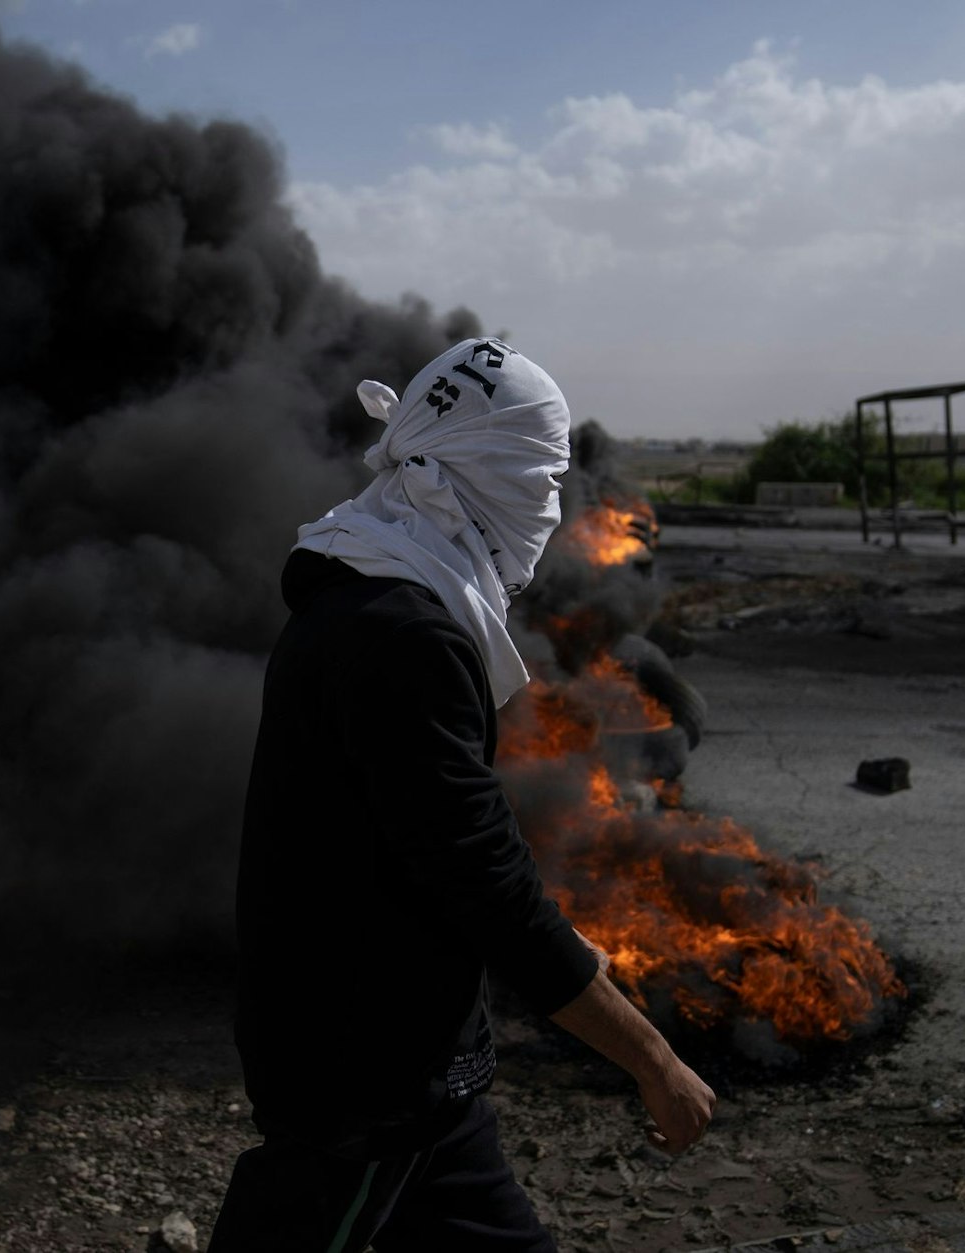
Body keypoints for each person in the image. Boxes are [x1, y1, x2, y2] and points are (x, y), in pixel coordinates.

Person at [208, 340, 714, 1252]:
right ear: (493, 473)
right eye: (542, 478)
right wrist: (656, 1060)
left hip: (415, 1071)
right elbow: (484, 883)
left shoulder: (363, 586)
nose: (551, 508)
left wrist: (561, 946)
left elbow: (418, 851)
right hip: (365, 1081)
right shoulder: (402, 634)